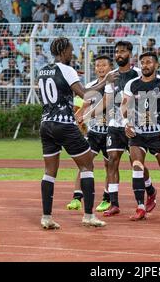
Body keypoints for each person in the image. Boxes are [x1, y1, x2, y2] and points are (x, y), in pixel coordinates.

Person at [37, 37, 118, 230]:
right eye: (71, 50)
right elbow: (85, 94)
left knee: (49, 172)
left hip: (45, 124)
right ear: (63, 50)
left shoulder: (42, 71)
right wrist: (104, 81)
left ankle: (46, 217)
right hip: (64, 124)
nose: (72, 53)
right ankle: (89, 216)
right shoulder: (67, 70)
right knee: (88, 165)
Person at [121, 52, 160, 220]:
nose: (145, 65)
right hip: (137, 134)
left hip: (158, 134)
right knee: (137, 167)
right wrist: (125, 124)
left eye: (149, 62)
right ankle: (140, 207)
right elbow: (123, 108)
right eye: (142, 62)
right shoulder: (132, 84)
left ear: (157, 65)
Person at [97, 41, 155, 217]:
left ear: (130, 54)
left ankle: (149, 191)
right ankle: (114, 204)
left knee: (136, 164)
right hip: (114, 125)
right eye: (116, 52)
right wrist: (87, 115)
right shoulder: (111, 76)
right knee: (112, 161)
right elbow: (106, 101)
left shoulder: (139, 74)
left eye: (122, 51)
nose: (118, 54)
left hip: (133, 126)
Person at [66, 55, 113, 212]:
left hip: (110, 133)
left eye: (104, 65)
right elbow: (84, 105)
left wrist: (86, 115)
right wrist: (78, 117)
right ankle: (77, 197)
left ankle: (107, 198)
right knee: (84, 163)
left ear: (110, 67)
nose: (100, 68)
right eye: (98, 65)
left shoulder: (115, 86)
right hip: (93, 133)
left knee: (110, 166)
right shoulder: (91, 85)